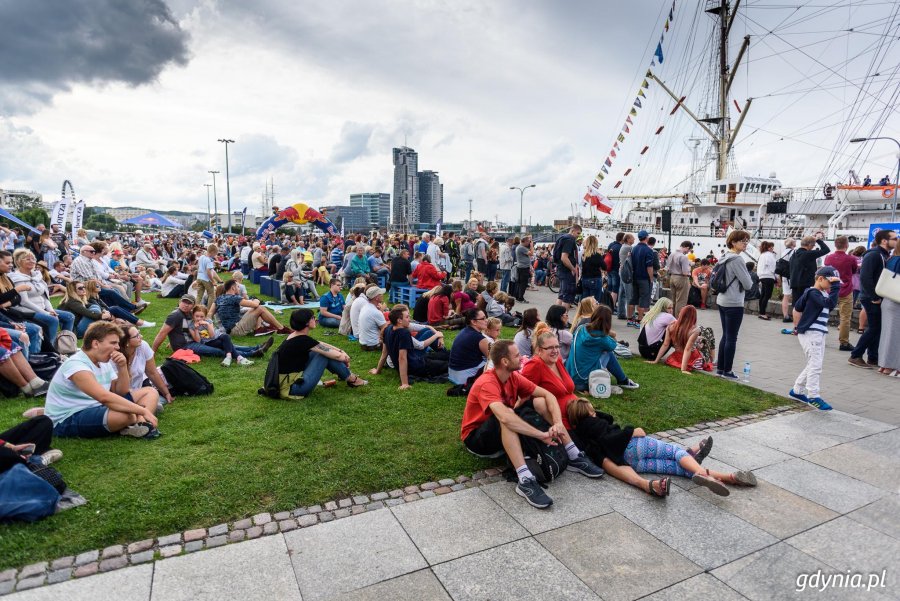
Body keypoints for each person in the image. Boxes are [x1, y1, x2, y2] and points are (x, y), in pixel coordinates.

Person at [460, 340, 604, 509]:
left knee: (540, 402)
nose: (521, 358)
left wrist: (557, 423)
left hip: (502, 427)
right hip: (477, 438)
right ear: (505, 362)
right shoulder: (487, 383)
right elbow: (505, 417)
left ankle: (573, 453)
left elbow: (548, 395)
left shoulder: (512, 377)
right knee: (507, 416)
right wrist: (540, 435)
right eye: (517, 355)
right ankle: (525, 480)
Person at [567, 399, 757, 498]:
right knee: (676, 453)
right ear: (590, 412)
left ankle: (730, 478)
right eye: (592, 410)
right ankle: (704, 471)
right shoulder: (596, 423)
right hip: (635, 445)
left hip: (633, 463)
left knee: (679, 469)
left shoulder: (584, 438)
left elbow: (605, 460)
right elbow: (610, 426)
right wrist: (633, 431)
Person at [44, 321, 160, 439]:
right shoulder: (76, 365)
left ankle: (140, 423)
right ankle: (138, 420)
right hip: (68, 417)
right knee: (127, 416)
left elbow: (121, 392)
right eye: (113, 343)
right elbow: (103, 397)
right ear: (95, 344)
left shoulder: (103, 362)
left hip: (95, 407)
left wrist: (122, 367)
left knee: (150, 391)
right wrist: (142, 410)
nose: (118, 347)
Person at [274, 309, 368, 398]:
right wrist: (343, 357)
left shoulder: (294, 336)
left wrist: (340, 351)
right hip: (293, 389)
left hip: (284, 384)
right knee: (323, 355)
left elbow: (319, 344)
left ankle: (345, 375)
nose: (315, 319)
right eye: (312, 317)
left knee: (319, 352)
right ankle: (352, 379)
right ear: (306, 322)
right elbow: (336, 356)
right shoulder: (303, 340)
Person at [786, 266, 841, 411]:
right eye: (830, 282)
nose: (832, 285)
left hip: (818, 332)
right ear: (820, 279)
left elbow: (797, 308)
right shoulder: (813, 293)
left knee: (813, 363)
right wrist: (798, 328)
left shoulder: (819, 293)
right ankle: (813, 396)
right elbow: (829, 305)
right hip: (812, 332)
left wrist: (798, 326)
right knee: (816, 365)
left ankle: (797, 390)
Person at [152, 295, 270, 361]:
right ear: (179, 302)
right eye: (184, 302)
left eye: (189, 303)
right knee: (219, 351)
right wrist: (153, 352)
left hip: (195, 339)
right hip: (187, 346)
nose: (186, 304)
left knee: (226, 344)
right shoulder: (176, 314)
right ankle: (253, 354)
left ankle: (256, 348)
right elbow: (162, 333)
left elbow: (182, 329)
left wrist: (171, 341)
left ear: (192, 306)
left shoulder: (188, 314)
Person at [849, 229, 897, 369]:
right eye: (894, 238)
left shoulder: (883, 255)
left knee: (877, 328)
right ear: (884, 241)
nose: (896, 240)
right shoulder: (875, 255)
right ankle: (856, 355)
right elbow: (865, 277)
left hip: (875, 296)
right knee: (875, 328)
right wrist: (874, 296)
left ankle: (872, 357)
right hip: (871, 297)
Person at [372, 305, 449, 388]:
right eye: (407, 317)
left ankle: (445, 353)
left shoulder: (388, 329)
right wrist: (405, 383)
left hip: (415, 362)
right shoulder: (403, 333)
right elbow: (402, 358)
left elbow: (384, 353)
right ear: (399, 320)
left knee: (443, 357)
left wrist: (378, 371)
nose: (409, 319)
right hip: (417, 367)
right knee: (448, 365)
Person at [566, 305, 639, 391]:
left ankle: (622, 379)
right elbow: (613, 345)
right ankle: (623, 380)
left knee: (597, 351)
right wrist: (607, 332)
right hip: (584, 382)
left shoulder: (580, 328)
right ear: (608, 322)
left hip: (569, 377)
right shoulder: (602, 339)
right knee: (608, 353)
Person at [9, 249, 75, 341]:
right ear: (19, 262)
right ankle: (52, 349)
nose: (32, 261)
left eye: (33, 259)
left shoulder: (37, 276)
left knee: (69, 316)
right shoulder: (16, 278)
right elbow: (24, 301)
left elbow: (44, 297)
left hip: (42, 308)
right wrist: (45, 313)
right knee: (52, 319)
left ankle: (65, 344)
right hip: (27, 311)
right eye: (28, 259)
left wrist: (51, 310)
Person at [521, 331, 581, 429]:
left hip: (577, 413)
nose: (555, 351)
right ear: (540, 350)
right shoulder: (535, 365)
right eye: (550, 348)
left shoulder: (557, 360)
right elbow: (523, 393)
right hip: (561, 420)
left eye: (557, 346)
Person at [715, 231, 754, 380]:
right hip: (734, 302)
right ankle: (727, 371)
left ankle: (720, 368)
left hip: (722, 299)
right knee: (731, 338)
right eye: (742, 241)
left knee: (726, 335)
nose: (745, 243)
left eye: (747, 241)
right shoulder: (737, 259)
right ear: (733, 242)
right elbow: (748, 284)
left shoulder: (724, 257)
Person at [211, 279, 289, 337]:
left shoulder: (219, 298)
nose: (239, 289)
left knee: (256, 309)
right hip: (235, 330)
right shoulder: (235, 298)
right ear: (233, 288)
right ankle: (281, 329)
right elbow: (255, 305)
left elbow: (210, 313)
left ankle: (260, 329)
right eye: (238, 287)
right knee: (260, 308)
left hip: (228, 329)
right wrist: (256, 300)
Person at [647, 305, 712, 373]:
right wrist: (683, 369)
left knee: (701, 340)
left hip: (676, 357)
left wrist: (656, 360)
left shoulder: (671, 326)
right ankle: (711, 359)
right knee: (707, 335)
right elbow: (687, 349)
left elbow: (665, 344)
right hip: (691, 358)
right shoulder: (695, 330)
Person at [120, 325, 173, 407]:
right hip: (121, 395)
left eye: (139, 333)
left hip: (139, 390)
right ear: (126, 342)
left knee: (160, 399)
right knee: (154, 403)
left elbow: (152, 373)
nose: (141, 336)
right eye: (136, 336)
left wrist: (166, 393)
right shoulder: (116, 357)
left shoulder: (143, 346)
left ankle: (141, 408)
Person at [824, 236, 859, 351]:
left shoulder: (828, 258)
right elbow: (854, 271)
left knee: (823, 313)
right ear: (847, 245)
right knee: (845, 318)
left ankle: (819, 337)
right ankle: (844, 343)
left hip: (830, 289)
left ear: (835, 245)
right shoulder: (851, 259)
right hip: (845, 290)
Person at [448, 308, 491, 384]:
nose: (486, 320)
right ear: (474, 322)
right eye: (483, 318)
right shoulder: (479, 338)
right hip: (464, 377)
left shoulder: (465, 331)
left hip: (453, 373)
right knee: (496, 364)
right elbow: (492, 358)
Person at [789, 234, 830, 313]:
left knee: (797, 306)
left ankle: (796, 324)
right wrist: (818, 240)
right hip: (805, 283)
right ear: (810, 245)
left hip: (794, 283)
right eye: (813, 245)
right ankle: (803, 323)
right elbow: (826, 250)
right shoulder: (809, 254)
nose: (813, 247)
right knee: (805, 306)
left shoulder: (794, 254)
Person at [876, 243, 900, 377]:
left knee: (886, 333)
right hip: (897, 301)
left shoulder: (891, 259)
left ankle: (883, 364)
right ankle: (892, 366)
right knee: (895, 336)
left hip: (887, 299)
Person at [628, 230, 655, 326]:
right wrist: (651, 278)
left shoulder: (634, 249)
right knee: (643, 298)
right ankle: (639, 321)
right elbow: (649, 266)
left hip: (634, 276)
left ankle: (630, 319)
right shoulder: (648, 250)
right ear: (646, 238)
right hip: (643, 278)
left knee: (633, 298)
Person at [555, 224, 581, 308]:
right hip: (567, 271)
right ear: (573, 231)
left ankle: (557, 318)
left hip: (561, 269)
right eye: (578, 233)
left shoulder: (562, 238)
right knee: (568, 296)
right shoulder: (570, 240)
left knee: (562, 295)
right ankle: (563, 318)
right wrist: (573, 269)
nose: (578, 236)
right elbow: (564, 257)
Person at [667, 241, 693, 315]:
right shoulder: (683, 257)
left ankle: (672, 318)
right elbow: (685, 272)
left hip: (672, 277)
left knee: (674, 300)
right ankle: (679, 320)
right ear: (687, 247)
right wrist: (689, 266)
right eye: (689, 250)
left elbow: (667, 267)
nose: (688, 252)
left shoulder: (672, 254)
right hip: (681, 278)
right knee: (681, 301)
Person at [357, 286, 387, 351]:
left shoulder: (365, 307)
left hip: (364, 344)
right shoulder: (376, 312)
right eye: (381, 294)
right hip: (374, 345)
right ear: (376, 298)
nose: (383, 295)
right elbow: (386, 329)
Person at [580, 235, 604, 304]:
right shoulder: (597, 255)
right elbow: (604, 267)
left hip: (585, 279)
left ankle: (585, 314)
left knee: (585, 302)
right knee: (594, 302)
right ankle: (593, 314)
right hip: (595, 279)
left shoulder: (584, 255)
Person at [777, 238, 797, 322]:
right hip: (791, 277)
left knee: (786, 296)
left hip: (784, 277)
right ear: (792, 244)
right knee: (796, 296)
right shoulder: (793, 252)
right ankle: (796, 316)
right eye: (795, 241)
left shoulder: (784, 252)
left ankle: (785, 316)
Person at [756, 241, 777, 320]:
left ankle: (761, 312)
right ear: (769, 248)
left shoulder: (762, 255)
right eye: (772, 247)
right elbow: (772, 266)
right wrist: (775, 276)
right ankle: (762, 313)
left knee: (763, 295)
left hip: (762, 276)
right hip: (768, 276)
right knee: (767, 295)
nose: (773, 248)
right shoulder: (770, 255)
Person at [617, 233, 635, 318]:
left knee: (622, 293)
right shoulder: (629, 248)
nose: (634, 239)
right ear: (628, 239)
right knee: (629, 294)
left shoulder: (623, 246)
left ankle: (621, 313)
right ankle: (630, 315)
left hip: (622, 271)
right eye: (632, 238)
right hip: (627, 273)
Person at [514, 235, 533, 302]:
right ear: (524, 241)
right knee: (523, 284)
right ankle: (520, 298)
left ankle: (518, 297)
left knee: (520, 283)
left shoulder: (520, 247)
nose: (529, 242)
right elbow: (531, 254)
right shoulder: (522, 248)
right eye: (528, 241)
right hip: (523, 268)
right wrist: (531, 245)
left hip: (521, 267)